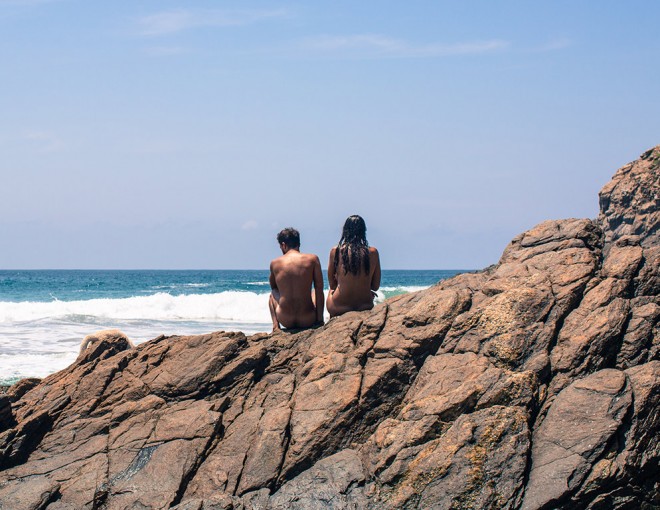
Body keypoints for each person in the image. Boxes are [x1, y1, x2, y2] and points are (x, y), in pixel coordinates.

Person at [269, 228, 324, 331]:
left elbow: (274, 287)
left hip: (285, 319)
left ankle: (276, 327)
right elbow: (319, 289)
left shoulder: (275, 263)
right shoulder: (313, 259)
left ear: (284, 245)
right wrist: (319, 320)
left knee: (273, 294)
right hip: (308, 319)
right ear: (298, 243)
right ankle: (319, 321)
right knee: (314, 291)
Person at [327, 215, 381, 317]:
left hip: (339, 307)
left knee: (331, 291)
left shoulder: (336, 251)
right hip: (365, 306)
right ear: (363, 231)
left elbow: (333, 285)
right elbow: (375, 286)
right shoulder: (373, 252)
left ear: (345, 231)